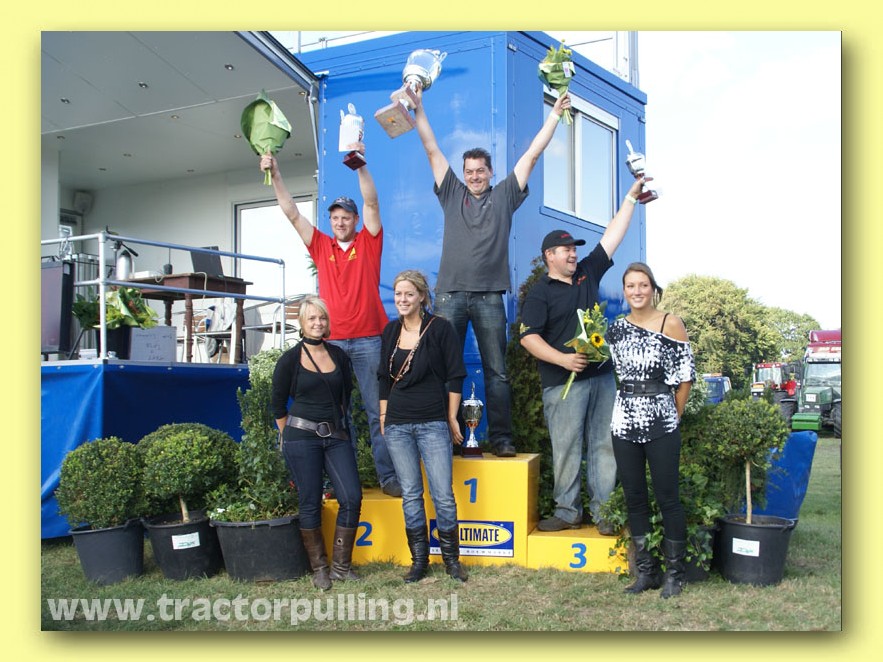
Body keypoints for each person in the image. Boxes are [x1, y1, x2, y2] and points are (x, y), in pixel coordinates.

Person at [412, 87, 572, 457]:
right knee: (443, 368)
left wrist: (554, 114)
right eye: (469, 171)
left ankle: (501, 438)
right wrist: (418, 108)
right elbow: (432, 149)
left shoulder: (504, 196)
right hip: (450, 295)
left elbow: (532, 155)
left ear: (490, 172)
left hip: (489, 297)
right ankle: (445, 438)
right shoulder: (451, 192)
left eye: (480, 171)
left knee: (496, 371)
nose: (474, 176)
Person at [261, 145, 401, 497]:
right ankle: (344, 480)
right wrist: (275, 174)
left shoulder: (369, 242)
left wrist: (361, 166)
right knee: (337, 416)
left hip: (369, 340)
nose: (340, 222)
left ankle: (387, 477)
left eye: (346, 217)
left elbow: (372, 203)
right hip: (332, 343)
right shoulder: (321, 245)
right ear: (331, 221)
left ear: (355, 220)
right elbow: (292, 213)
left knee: (377, 412)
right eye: (335, 217)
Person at [519, 176, 649, 534]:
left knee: (605, 445)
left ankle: (605, 513)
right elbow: (528, 338)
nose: (574, 254)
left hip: (602, 378)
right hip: (562, 382)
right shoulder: (540, 293)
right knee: (566, 448)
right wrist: (563, 360)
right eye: (566, 250)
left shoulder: (587, 274)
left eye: (575, 249)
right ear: (550, 256)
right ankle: (567, 511)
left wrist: (630, 198)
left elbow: (613, 235)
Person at [606, 263, 695, 598]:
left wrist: (675, 414)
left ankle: (675, 574)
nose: (637, 291)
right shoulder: (616, 329)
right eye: (631, 286)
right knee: (635, 497)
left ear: (653, 288)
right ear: (624, 291)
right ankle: (647, 572)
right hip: (624, 419)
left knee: (667, 496)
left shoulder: (670, 323)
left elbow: (685, 376)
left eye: (643, 285)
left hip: (661, 417)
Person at [377, 270, 468, 583]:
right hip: (398, 425)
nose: (402, 300)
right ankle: (419, 561)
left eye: (409, 294)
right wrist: (384, 416)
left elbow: (455, 375)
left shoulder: (440, 328)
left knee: (443, 495)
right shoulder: (390, 331)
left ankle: (452, 561)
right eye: (398, 294)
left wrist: (452, 417)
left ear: (421, 297)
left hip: (432, 422)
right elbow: (383, 377)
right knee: (411, 495)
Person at [271, 296, 363, 590]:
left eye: (322, 318)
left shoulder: (339, 356)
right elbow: (277, 405)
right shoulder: (289, 360)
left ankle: (341, 567)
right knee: (310, 502)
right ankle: (320, 568)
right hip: (301, 437)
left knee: (351, 496)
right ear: (301, 323)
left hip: (335, 437)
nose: (317, 323)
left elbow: (345, 396)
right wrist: (288, 437)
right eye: (311, 318)